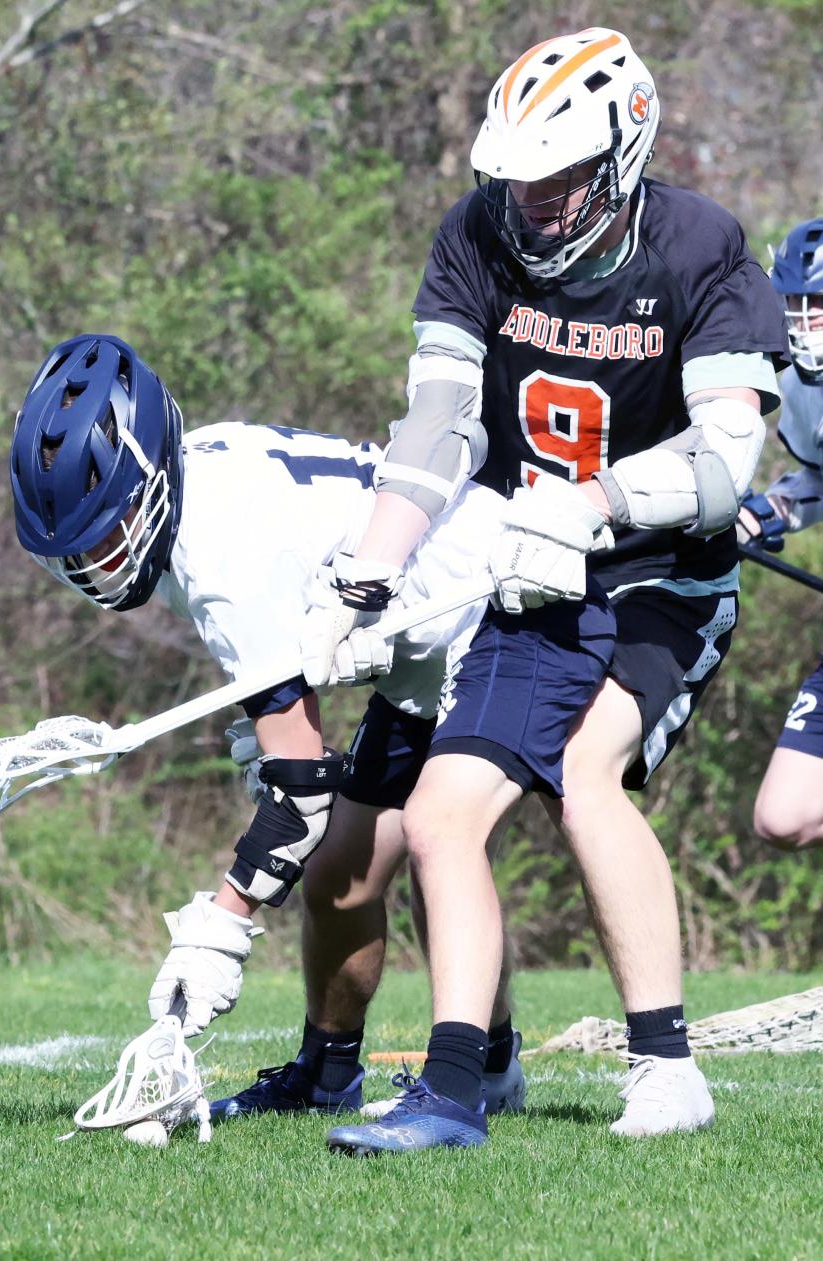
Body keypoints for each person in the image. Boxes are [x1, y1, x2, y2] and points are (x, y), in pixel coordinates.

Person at [280, 27, 787, 1153]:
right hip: (524, 568)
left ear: (623, 157)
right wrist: (371, 566)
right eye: (519, 181)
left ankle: (667, 1065)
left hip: (664, 573)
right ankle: (458, 1088)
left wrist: (591, 504)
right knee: (439, 811)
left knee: (584, 774)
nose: (537, 204)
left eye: (559, 180)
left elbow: (722, 465)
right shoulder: (476, 236)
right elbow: (442, 422)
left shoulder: (701, 247)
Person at [9, 331, 545, 1122]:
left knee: (440, 844)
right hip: (415, 637)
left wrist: (220, 925)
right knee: (341, 878)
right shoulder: (204, 467)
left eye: (107, 531)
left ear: (148, 479)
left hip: (480, 614)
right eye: (76, 549)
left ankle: (486, 1073)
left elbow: (302, 796)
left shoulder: (220, 560)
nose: (96, 562)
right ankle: (326, 1076)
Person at [736, 218, 823, 852]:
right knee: (783, 815)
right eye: (796, 305)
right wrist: (773, 510)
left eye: (817, 308)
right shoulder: (800, 388)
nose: (802, 323)